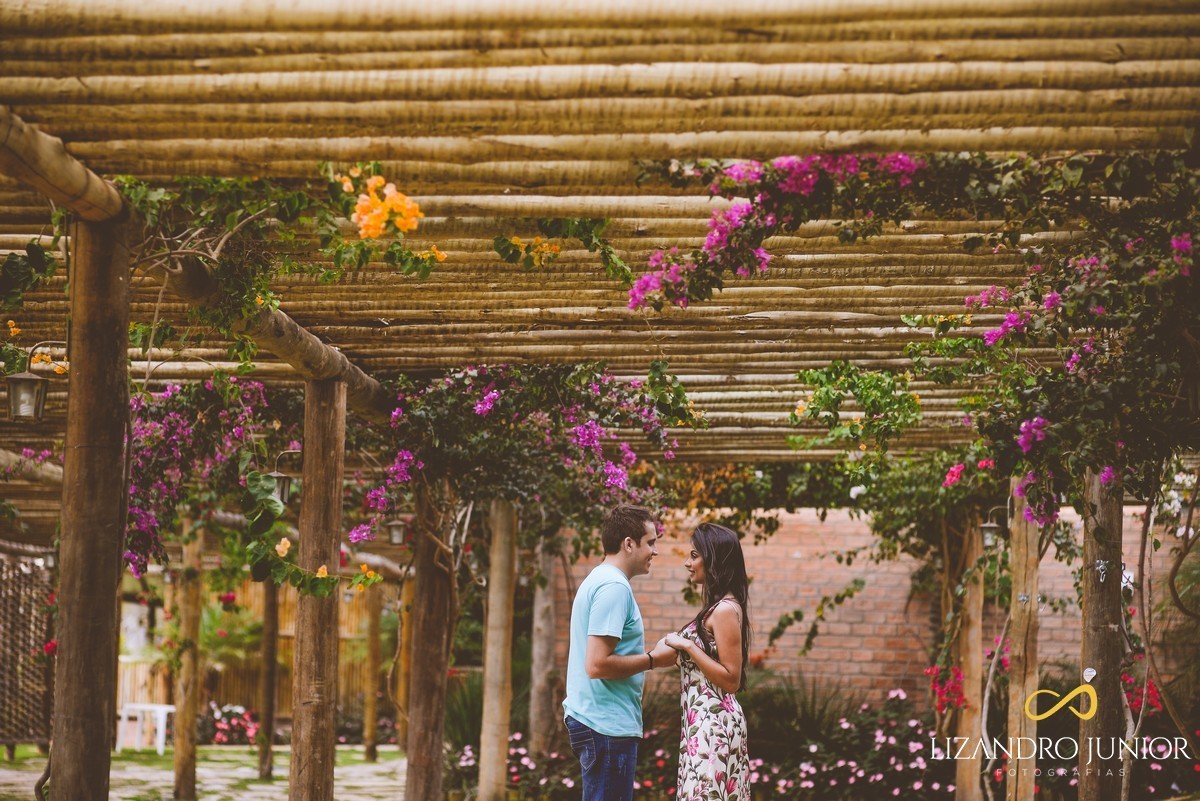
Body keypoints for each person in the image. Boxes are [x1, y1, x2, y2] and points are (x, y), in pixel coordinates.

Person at [563, 504, 677, 801]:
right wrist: (655, 659)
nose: (655, 551)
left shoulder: (602, 580)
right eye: (651, 542)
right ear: (629, 543)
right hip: (605, 727)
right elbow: (597, 664)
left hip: (601, 723)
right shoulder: (613, 587)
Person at [663, 522, 752, 800]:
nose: (687, 563)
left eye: (694, 555)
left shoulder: (725, 609)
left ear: (712, 560)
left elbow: (731, 679)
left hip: (715, 727)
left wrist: (688, 646)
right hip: (700, 725)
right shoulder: (718, 607)